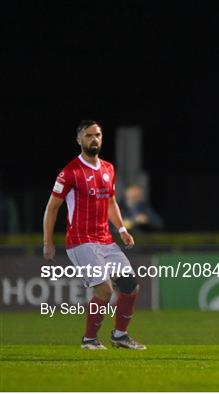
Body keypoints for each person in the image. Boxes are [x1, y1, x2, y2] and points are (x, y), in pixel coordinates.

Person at [43, 120, 146, 350]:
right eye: (88, 135)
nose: (94, 139)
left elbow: (111, 202)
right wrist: (48, 242)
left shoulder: (108, 168)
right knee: (105, 289)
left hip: (106, 240)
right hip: (81, 241)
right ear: (79, 140)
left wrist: (122, 230)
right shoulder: (70, 172)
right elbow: (52, 208)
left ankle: (120, 336)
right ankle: (89, 340)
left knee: (131, 287)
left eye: (97, 135)